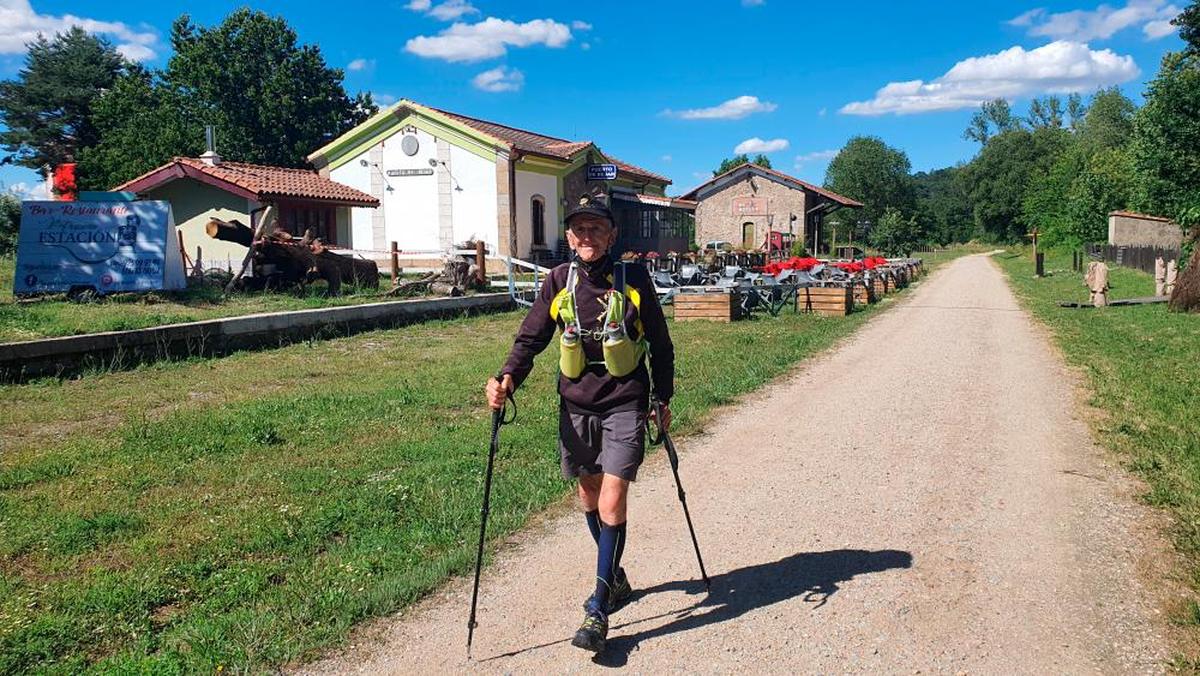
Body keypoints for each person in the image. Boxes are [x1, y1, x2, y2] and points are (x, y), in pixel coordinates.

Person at [485, 195, 675, 653]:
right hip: (576, 404)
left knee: (612, 496)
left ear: (611, 235)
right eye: (579, 230)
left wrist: (662, 397)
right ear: (569, 237)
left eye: (596, 229)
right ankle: (614, 577)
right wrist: (507, 378)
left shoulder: (633, 279)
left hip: (625, 400)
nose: (587, 237)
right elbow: (531, 337)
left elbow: (662, 342)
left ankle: (597, 608)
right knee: (587, 493)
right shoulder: (558, 281)